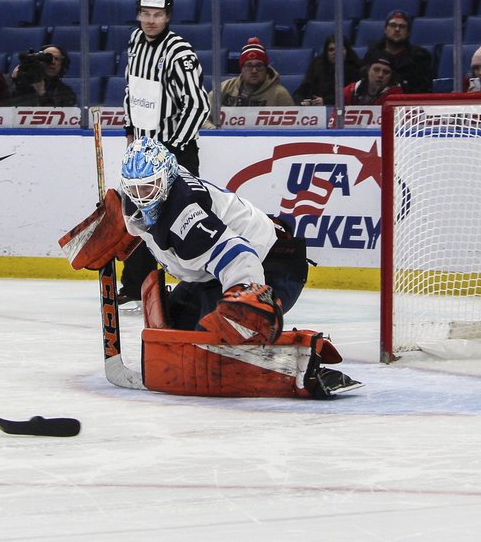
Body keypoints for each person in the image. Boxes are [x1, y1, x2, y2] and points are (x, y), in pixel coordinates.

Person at [117, 137, 359, 397]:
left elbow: (240, 256)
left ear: (166, 177)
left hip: (273, 265)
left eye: (149, 188)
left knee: (215, 347)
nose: (142, 197)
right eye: (135, 189)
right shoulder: (143, 194)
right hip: (213, 276)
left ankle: (303, 366)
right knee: (175, 333)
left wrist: (246, 298)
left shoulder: (187, 215)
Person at [117, 0, 210, 308]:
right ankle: (135, 284)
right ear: (138, 14)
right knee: (141, 218)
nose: (151, 21)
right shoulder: (134, 41)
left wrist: (169, 150)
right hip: (143, 151)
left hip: (174, 150)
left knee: (180, 219)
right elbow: (133, 88)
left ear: (167, 16)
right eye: (146, 14)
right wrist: (131, 130)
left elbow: (198, 105)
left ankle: (196, 285)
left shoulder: (179, 52)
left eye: (158, 15)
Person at [362, 9, 434, 94]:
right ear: (385, 30)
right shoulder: (372, 54)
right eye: (393, 25)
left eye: (402, 26)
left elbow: (423, 90)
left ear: (408, 32)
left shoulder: (419, 57)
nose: (397, 29)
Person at [211, 37, 294, 108]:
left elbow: (293, 125)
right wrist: (213, 127)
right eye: (249, 66)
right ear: (241, 69)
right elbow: (201, 114)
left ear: (266, 69)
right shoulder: (225, 88)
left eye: (259, 66)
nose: (254, 71)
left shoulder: (280, 94)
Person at [293, 35, 362, 106]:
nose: (335, 52)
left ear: (347, 51)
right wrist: (301, 102)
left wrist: (326, 101)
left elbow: (353, 95)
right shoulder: (317, 66)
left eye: (340, 49)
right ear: (326, 53)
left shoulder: (355, 68)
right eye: (331, 50)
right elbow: (303, 89)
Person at [6, 44, 78, 106]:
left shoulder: (65, 92)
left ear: (62, 65)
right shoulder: (11, 82)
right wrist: (14, 82)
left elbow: (56, 118)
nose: (52, 62)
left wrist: (42, 93)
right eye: (47, 58)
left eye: (56, 59)